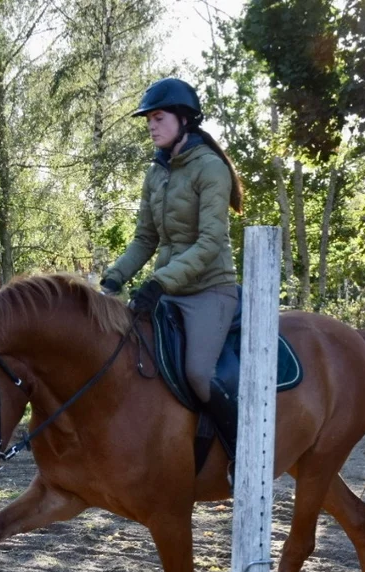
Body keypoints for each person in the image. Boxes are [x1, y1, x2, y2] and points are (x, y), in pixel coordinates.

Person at [100, 77, 244, 476]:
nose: (150, 124)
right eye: (148, 118)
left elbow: (212, 240)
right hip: (166, 287)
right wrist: (113, 280)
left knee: (199, 372)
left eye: (157, 117)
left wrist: (161, 282)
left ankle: (242, 455)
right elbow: (144, 239)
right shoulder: (156, 173)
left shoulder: (211, 168)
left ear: (184, 119)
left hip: (209, 290)